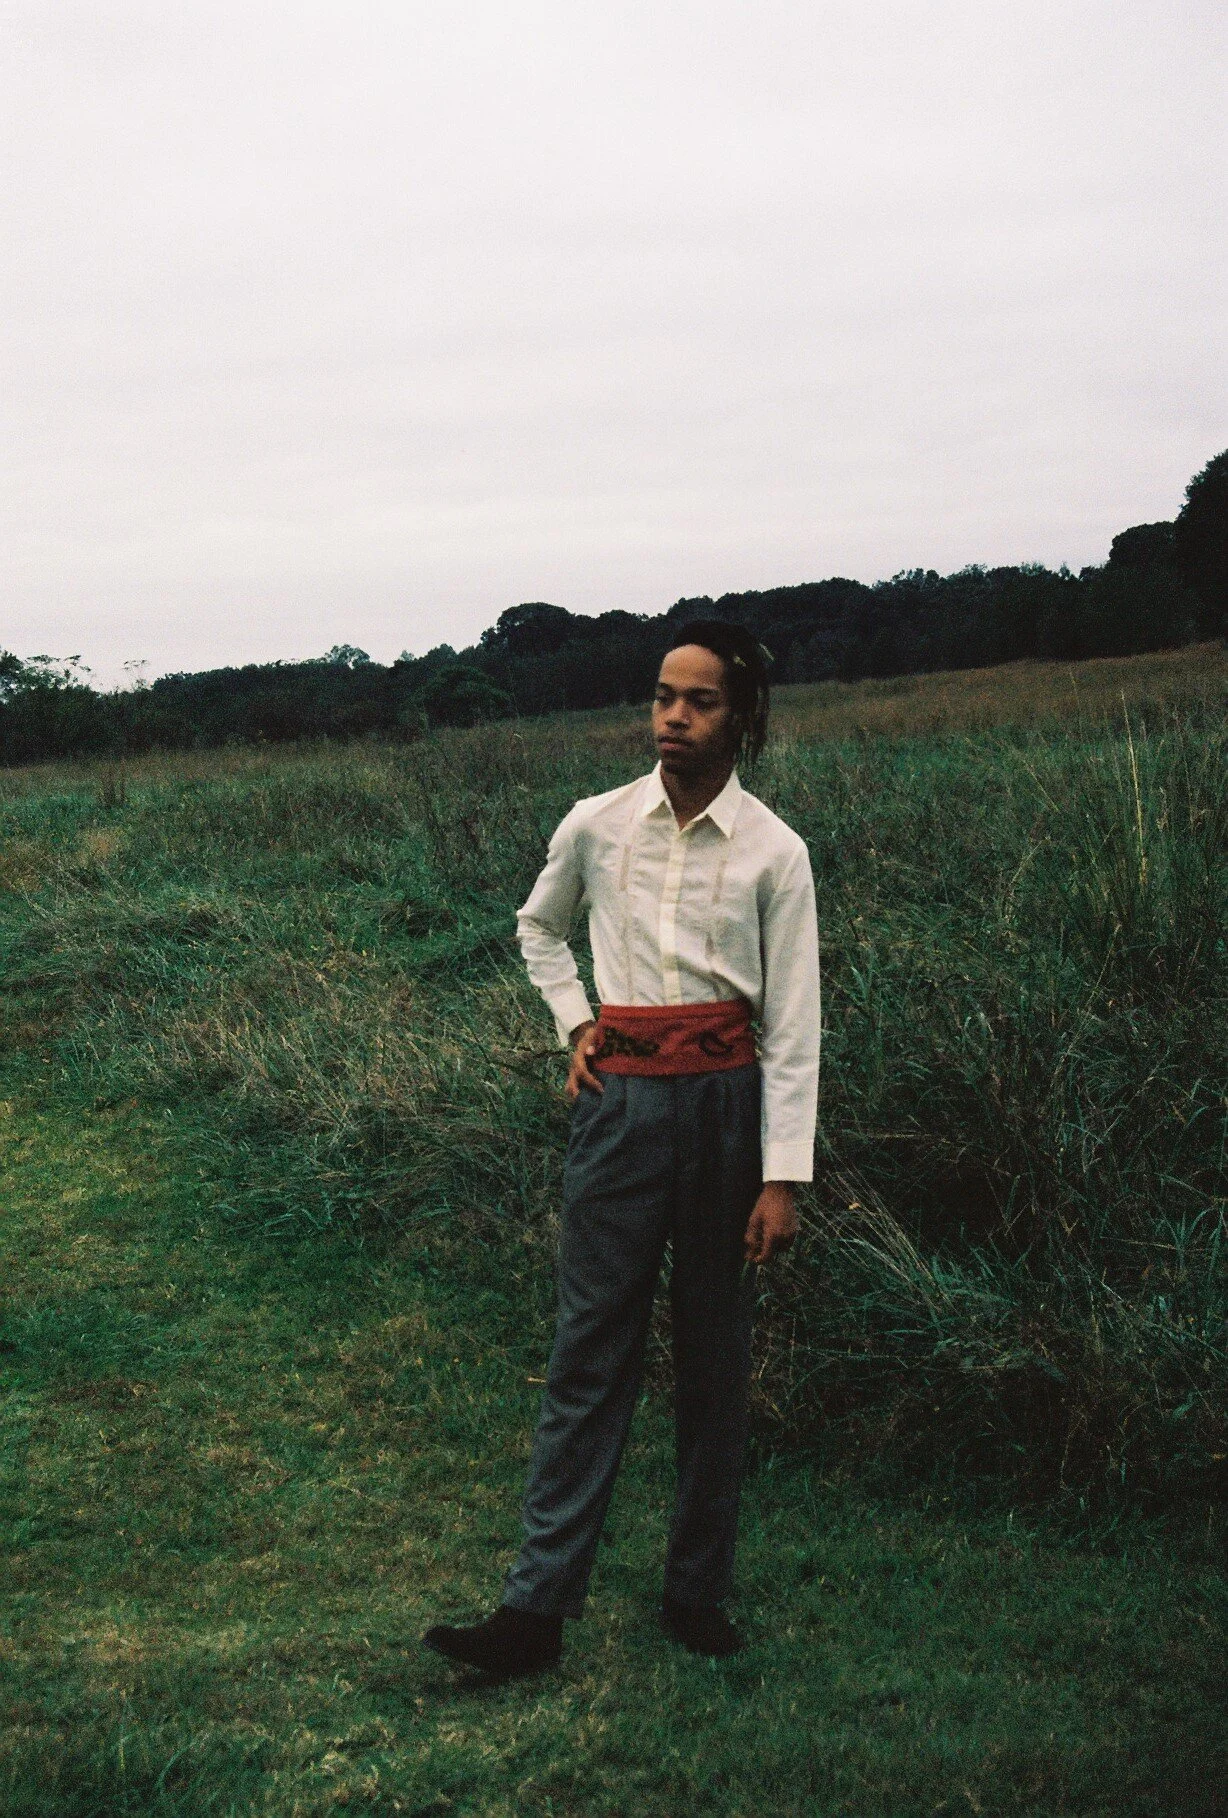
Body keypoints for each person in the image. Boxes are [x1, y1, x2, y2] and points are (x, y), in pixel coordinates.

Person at [423, 620, 821, 1677]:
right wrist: (576, 1022)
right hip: (621, 1112)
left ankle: (696, 1595)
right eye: (661, 697)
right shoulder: (597, 825)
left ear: (742, 716)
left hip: (728, 1114)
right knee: (588, 1352)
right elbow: (538, 927)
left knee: (714, 1358)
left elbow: (794, 1026)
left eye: (699, 701)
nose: (672, 719)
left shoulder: (775, 852)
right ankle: (534, 1612)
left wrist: (782, 1176)